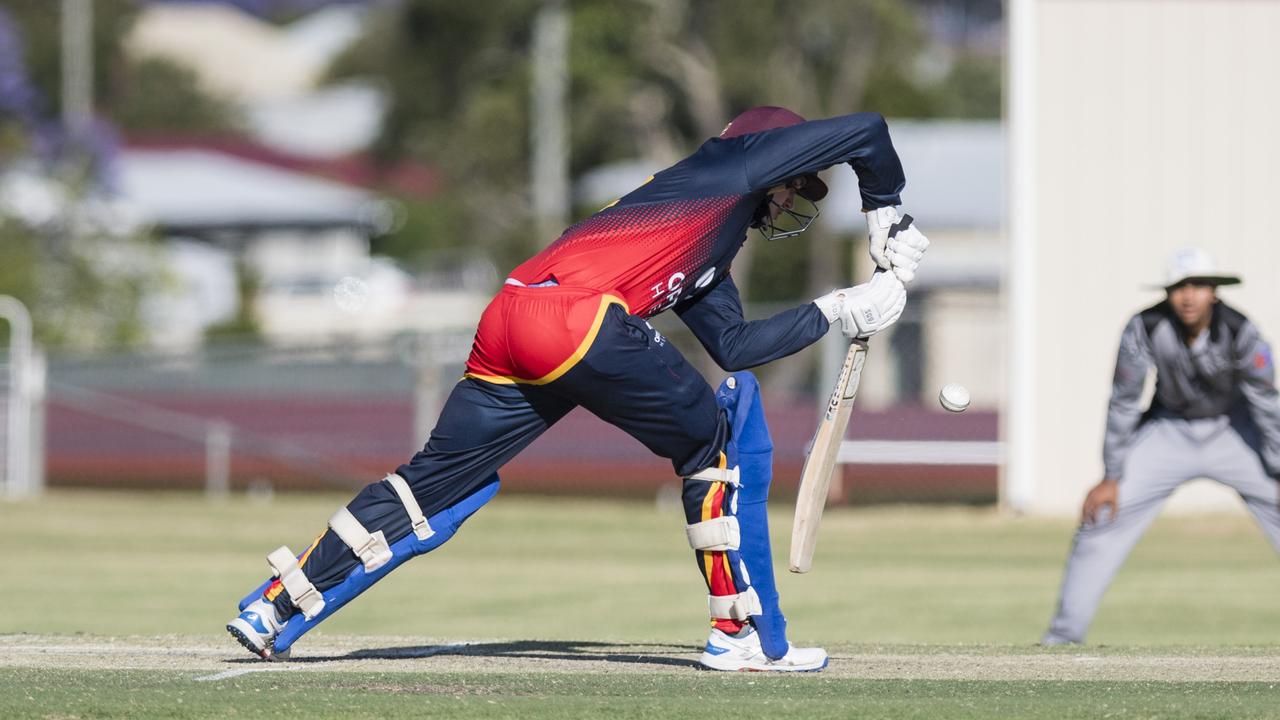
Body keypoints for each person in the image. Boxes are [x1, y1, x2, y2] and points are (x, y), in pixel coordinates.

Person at [226, 106, 930, 671]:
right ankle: (736, 633)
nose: (788, 200)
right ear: (775, 161)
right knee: (711, 447)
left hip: (511, 315)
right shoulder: (733, 164)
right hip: (578, 320)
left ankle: (276, 607)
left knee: (431, 487)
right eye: (794, 183)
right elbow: (867, 130)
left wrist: (839, 311)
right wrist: (887, 215)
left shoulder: (708, 248)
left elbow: (736, 347)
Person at [1042, 248, 1280, 645]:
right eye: (1179, 287)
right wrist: (1112, 475)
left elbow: (1267, 402)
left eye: (1199, 286)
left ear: (1215, 292)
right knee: (1102, 514)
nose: (1188, 296)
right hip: (1169, 431)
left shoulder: (1242, 331)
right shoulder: (1145, 326)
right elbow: (1123, 400)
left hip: (1234, 431)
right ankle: (1062, 639)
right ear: (1167, 293)